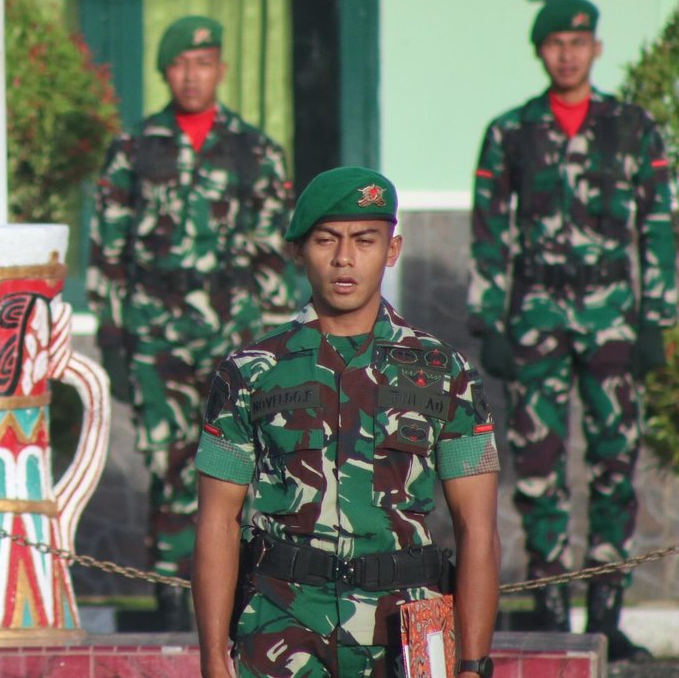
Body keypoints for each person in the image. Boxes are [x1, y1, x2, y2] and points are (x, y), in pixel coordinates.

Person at [194, 167, 501, 678]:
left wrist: (472, 662)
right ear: (298, 250)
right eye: (325, 240)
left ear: (392, 249)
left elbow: (478, 529)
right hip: (281, 622)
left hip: (408, 630)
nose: (344, 258)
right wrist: (211, 659)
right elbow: (217, 523)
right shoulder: (249, 372)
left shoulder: (446, 372)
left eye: (365, 240)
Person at [467, 0, 674, 661]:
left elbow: (660, 228)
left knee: (616, 462)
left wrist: (656, 319)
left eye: (578, 41)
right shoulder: (510, 133)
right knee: (536, 469)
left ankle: (607, 611)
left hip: (613, 314)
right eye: (555, 42)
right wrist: (488, 318)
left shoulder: (634, 128)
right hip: (537, 316)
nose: (567, 53)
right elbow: (490, 231)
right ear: (540, 51)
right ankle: (554, 608)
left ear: (596, 49)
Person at [86, 15, 297, 627]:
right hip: (158, 332)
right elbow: (108, 246)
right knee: (171, 461)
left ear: (221, 70)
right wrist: (113, 335)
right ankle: (173, 599)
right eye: (180, 64)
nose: (192, 75)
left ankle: (241, 595)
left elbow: (275, 251)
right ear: (165, 72)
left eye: (203, 63)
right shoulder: (133, 146)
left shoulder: (255, 149)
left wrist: (277, 338)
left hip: (237, 333)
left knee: (245, 460)